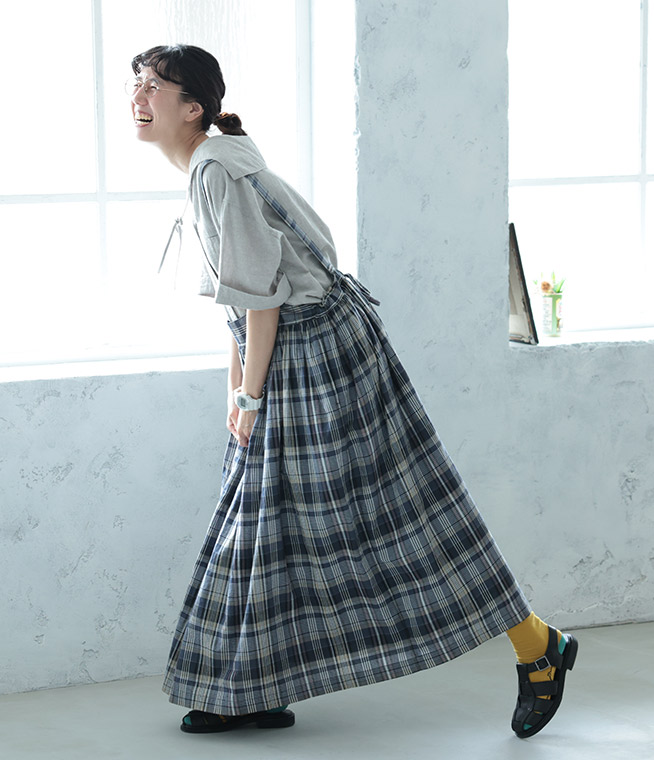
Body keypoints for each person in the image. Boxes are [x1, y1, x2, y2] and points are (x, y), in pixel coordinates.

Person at [128, 44, 578, 740]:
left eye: (154, 86)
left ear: (193, 108)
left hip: (314, 351)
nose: (138, 97)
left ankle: (538, 644)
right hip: (308, 345)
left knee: (401, 516)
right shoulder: (216, 162)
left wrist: (247, 397)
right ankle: (249, 689)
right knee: (273, 521)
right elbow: (244, 297)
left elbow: (262, 301)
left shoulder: (215, 169)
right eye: (137, 83)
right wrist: (237, 389)